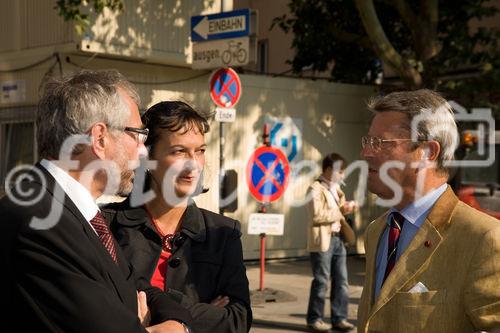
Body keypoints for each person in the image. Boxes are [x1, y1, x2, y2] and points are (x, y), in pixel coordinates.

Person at [0, 70, 192, 332]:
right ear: (99, 138)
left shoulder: (79, 213)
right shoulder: (38, 220)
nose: (143, 150)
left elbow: (135, 284)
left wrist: (176, 324)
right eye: (137, 134)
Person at [103, 101, 252, 333]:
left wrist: (170, 316)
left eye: (200, 151)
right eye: (179, 151)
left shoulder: (223, 233)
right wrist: (200, 313)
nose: (193, 163)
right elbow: (100, 306)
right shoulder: (107, 224)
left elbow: (237, 320)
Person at [358, 89, 500, 332]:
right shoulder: (377, 231)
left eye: (380, 143)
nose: (366, 153)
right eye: (368, 141)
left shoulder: (483, 238)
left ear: (428, 153)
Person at [306, 153, 356, 332]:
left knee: (342, 281)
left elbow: (337, 213)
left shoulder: (336, 189)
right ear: (328, 170)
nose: (342, 175)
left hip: (338, 239)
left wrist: (346, 208)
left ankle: (339, 318)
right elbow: (316, 215)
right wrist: (341, 211)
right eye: (339, 171)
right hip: (323, 241)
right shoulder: (315, 188)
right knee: (321, 281)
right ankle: (314, 319)